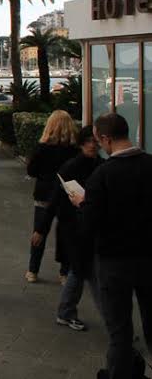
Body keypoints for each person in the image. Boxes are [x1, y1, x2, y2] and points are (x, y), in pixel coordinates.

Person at [70, 114, 152, 379]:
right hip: (149, 258)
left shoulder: (103, 175)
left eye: (98, 140)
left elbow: (90, 224)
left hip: (114, 261)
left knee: (120, 332)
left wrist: (83, 204)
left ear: (106, 138)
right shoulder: (150, 165)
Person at [34, 126, 103, 333]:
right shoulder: (70, 167)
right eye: (88, 140)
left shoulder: (102, 165)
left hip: (92, 227)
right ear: (81, 143)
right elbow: (54, 201)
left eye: (95, 140)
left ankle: (68, 312)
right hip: (73, 228)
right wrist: (41, 229)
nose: (92, 144)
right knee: (84, 271)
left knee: (82, 270)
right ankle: (109, 319)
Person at [25, 110, 79, 284]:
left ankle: (33, 270)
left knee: (39, 232)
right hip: (67, 195)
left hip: (44, 193)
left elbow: (31, 170)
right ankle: (64, 272)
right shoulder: (74, 150)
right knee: (65, 234)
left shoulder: (42, 147)